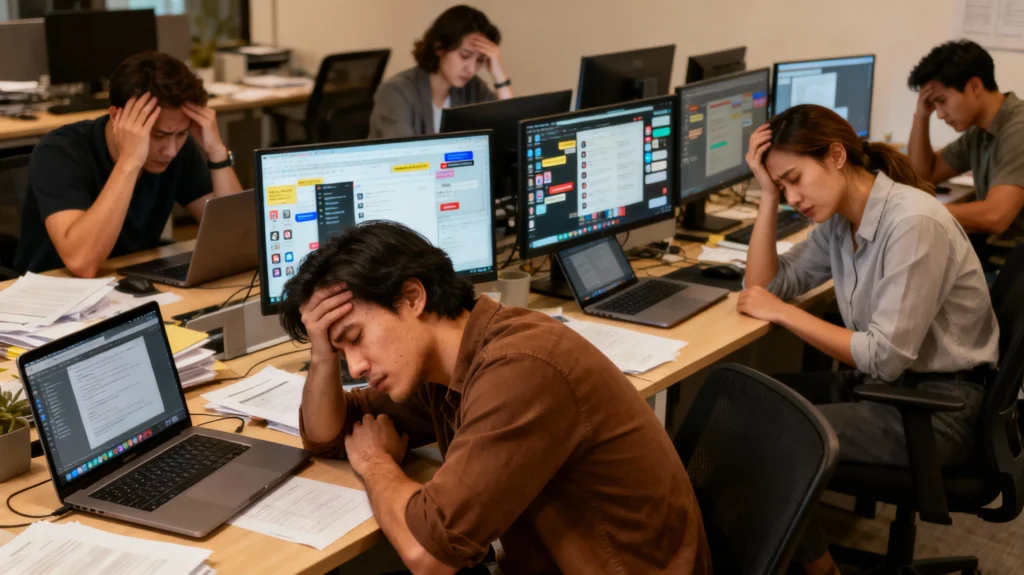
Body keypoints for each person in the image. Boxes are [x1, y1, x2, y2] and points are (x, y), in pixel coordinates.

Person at [280, 222, 711, 575]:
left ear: (412, 297)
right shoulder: (446, 365)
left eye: (355, 337)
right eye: (341, 352)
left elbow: (428, 556)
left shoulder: (521, 368)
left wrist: (376, 464)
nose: (355, 367)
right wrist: (321, 355)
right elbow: (330, 434)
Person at [739, 105, 999, 575]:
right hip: (891, 389)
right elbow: (765, 286)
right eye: (783, 186)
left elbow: (884, 356)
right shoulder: (842, 220)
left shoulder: (913, 222)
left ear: (836, 156)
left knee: (771, 435)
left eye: (795, 179)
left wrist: (782, 314)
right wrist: (768, 196)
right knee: (742, 398)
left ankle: (822, 571)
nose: (794, 196)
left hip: (939, 411)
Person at [15, 51, 242, 277]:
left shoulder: (177, 147)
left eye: (182, 134)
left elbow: (236, 238)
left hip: (131, 278)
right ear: (117, 117)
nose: (171, 150)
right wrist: (130, 162)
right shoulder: (59, 152)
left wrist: (217, 152)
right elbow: (82, 262)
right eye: (158, 135)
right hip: (55, 287)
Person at [907, 40, 1024, 249]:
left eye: (942, 100)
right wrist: (921, 115)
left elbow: (996, 217)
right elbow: (923, 176)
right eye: (933, 104)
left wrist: (919, 212)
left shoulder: (1019, 128)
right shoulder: (979, 131)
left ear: (974, 86)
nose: (939, 114)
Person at [368, 5, 513, 139]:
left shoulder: (473, 88)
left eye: (480, 60)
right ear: (440, 47)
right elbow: (404, 154)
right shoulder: (395, 91)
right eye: (465, 56)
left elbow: (509, 132)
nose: (471, 68)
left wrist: (499, 76)